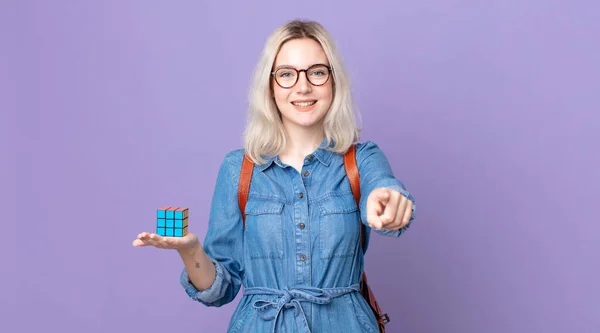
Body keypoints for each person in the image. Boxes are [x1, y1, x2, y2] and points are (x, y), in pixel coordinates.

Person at [133, 19, 416, 333]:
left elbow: (386, 191)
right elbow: (220, 290)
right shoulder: (236, 169)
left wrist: (389, 204)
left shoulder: (362, 159)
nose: (303, 86)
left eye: (317, 72)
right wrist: (190, 250)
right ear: (269, 86)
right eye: (286, 74)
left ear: (333, 82)